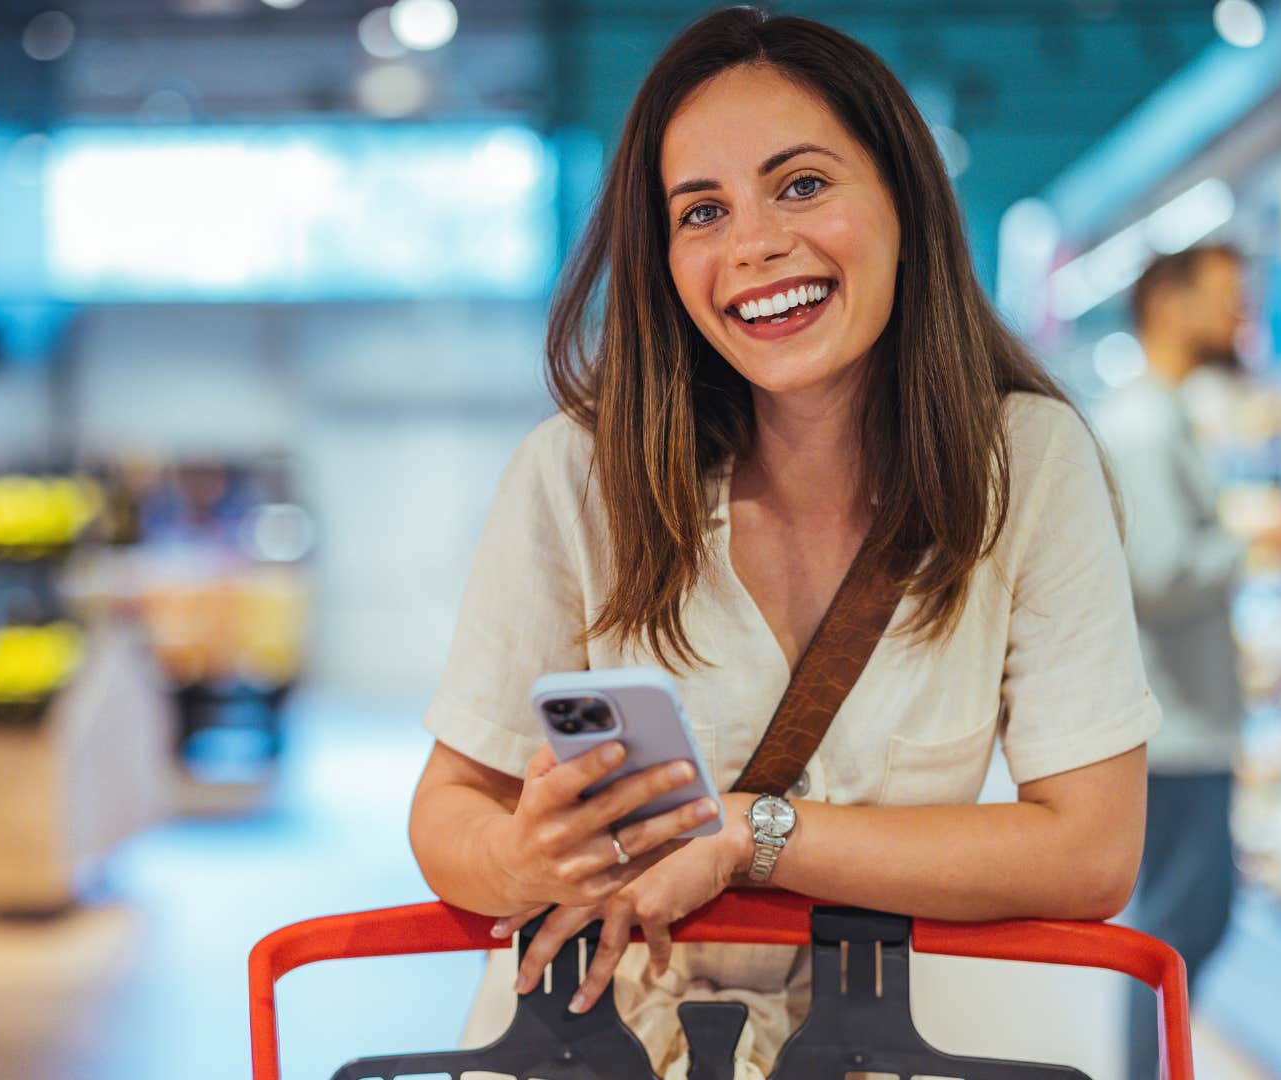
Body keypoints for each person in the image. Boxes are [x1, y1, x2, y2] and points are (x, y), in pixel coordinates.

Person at [408, 9, 1162, 1077]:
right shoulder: (577, 473)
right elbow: (448, 810)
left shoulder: (1025, 466)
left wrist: (753, 832)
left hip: (881, 1047)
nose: (754, 246)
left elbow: (1091, 850)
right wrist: (519, 856)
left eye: (802, 185)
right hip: (597, 1044)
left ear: (904, 199)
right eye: (701, 211)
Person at [1099, 245, 1281, 1080]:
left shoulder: (1159, 418)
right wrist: (1262, 539)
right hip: (1175, 728)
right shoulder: (1143, 426)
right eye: (1226, 299)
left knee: (1182, 924)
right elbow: (1157, 573)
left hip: (1182, 720)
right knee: (1177, 929)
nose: (1241, 316)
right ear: (1168, 307)